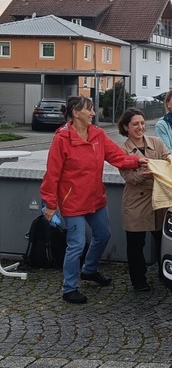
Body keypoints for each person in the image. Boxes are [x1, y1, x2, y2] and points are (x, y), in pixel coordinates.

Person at [40, 96, 148, 304]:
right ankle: (69, 288)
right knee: (76, 244)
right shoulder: (62, 139)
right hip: (73, 202)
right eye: (88, 110)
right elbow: (52, 174)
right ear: (75, 113)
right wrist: (50, 203)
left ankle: (89, 269)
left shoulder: (97, 134)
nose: (93, 113)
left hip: (95, 198)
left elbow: (116, 156)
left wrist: (137, 160)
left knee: (103, 235)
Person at [117, 108, 171, 291]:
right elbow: (129, 178)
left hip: (158, 199)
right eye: (135, 124)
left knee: (162, 240)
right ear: (126, 127)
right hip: (136, 202)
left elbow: (168, 159)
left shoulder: (156, 142)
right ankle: (138, 280)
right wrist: (146, 175)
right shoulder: (122, 150)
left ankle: (165, 274)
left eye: (142, 123)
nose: (140, 127)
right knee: (135, 244)